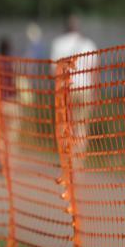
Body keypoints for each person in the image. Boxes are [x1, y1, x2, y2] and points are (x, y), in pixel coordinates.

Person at [51, 15, 98, 155]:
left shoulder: (58, 43)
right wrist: (95, 94)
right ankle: (79, 158)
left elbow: (54, 70)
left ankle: (68, 157)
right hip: (85, 89)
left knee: (66, 124)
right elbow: (94, 72)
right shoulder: (89, 44)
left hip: (65, 89)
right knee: (81, 125)